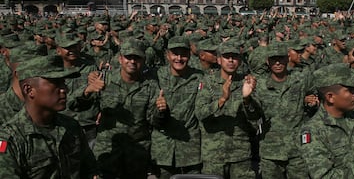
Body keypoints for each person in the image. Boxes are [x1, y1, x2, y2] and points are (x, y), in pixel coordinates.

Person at [0, 55, 98, 178]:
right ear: (29, 90)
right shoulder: (10, 140)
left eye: (63, 82)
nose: (64, 89)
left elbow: (89, 170)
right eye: (56, 83)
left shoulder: (71, 127)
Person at [94, 38, 158, 178]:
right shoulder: (104, 79)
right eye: (128, 57)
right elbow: (77, 105)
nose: (133, 62)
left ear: (144, 60)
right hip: (108, 148)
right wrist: (87, 92)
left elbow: (153, 119)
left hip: (136, 151)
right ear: (120, 59)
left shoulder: (150, 85)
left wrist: (161, 110)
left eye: (137, 58)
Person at [195, 42, 261, 178]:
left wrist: (247, 99)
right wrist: (222, 100)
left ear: (240, 61)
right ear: (219, 60)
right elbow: (200, 113)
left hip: (240, 154)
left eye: (234, 57)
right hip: (213, 154)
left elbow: (256, 116)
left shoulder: (247, 82)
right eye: (226, 57)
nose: (231, 60)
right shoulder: (208, 82)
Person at [256, 43, 315, 179]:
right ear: (267, 61)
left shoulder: (300, 79)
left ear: (287, 58)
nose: (277, 63)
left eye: (281, 58)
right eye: (273, 59)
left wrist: (312, 102)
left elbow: (316, 96)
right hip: (270, 150)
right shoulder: (260, 85)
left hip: (297, 150)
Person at [151, 36, 203, 178]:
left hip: (190, 149)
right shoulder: (155, 76)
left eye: (183, 54)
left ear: (189, 55)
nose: (179, 58)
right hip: (163, 149)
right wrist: (160, 110)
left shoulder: (199, 78)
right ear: (167, 55)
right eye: (175, 53)